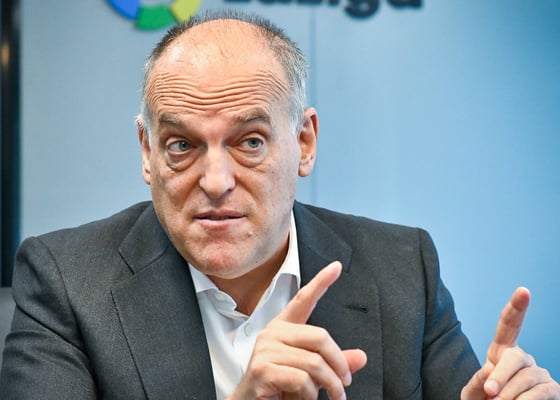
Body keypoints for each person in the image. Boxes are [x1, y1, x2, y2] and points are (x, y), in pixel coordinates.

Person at [0, 10, 558, 400]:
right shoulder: (66, 283)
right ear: (148, 152)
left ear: (304, 143)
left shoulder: (403, 269)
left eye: (249, 142)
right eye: (181, 146)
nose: (215, 181)